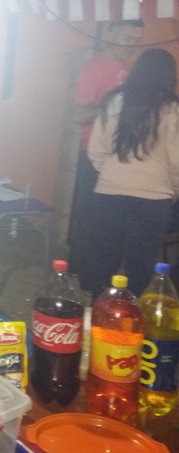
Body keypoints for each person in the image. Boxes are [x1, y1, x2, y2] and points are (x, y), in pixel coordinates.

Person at [83, 48, 179, 298]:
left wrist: (113, 174)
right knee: (140, 266)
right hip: (154, 198)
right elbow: (176, 161)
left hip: (109, 192)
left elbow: (96, 150)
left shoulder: (113, 101)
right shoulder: (172, 110)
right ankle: (131, 316)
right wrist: (172, 189)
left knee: (105, 258)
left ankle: (98, 310)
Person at [68, 19, 144, 291]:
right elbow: (78, 114)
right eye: (127, 39)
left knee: (105, 223)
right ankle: (85, 282)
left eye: (136, 42)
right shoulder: (95, 67)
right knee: (92, 221)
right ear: (111, 32)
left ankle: (93, 278)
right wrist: (113, 109)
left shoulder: (124, 69)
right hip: (94, 153)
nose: (131, 47)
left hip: (117, 155)